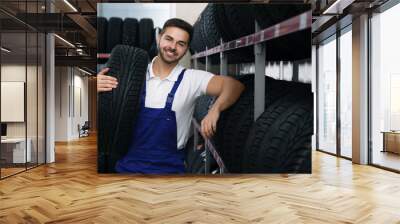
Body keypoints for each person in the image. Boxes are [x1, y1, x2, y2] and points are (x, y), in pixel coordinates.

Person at [97, 18, 244, 174]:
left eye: (181, 44)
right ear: (159, 37)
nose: (173, 47)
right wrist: (96, 90)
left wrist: (216, 109)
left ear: (187, 48)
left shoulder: (192, 78)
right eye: (169, 39)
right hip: (127, 168)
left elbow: (234, 86)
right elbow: (107, 115)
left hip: (170, 172)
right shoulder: (132, 74)